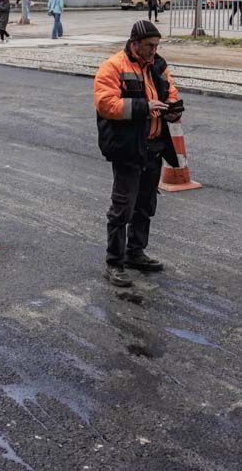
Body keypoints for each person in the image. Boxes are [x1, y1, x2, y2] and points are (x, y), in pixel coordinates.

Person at [93, 20, 182, 288]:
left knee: (145, 206)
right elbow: (106, 104)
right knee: (123, 208)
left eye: (156, 46)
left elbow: (171, 90)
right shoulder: (113, 67)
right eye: (149, 46)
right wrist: (144, 107)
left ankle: (135, 253)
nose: (154, 51)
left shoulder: (158, 65)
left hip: (153, 148)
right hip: (128, 148)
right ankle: (114, 263)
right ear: (135, 44)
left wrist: (174, 108)